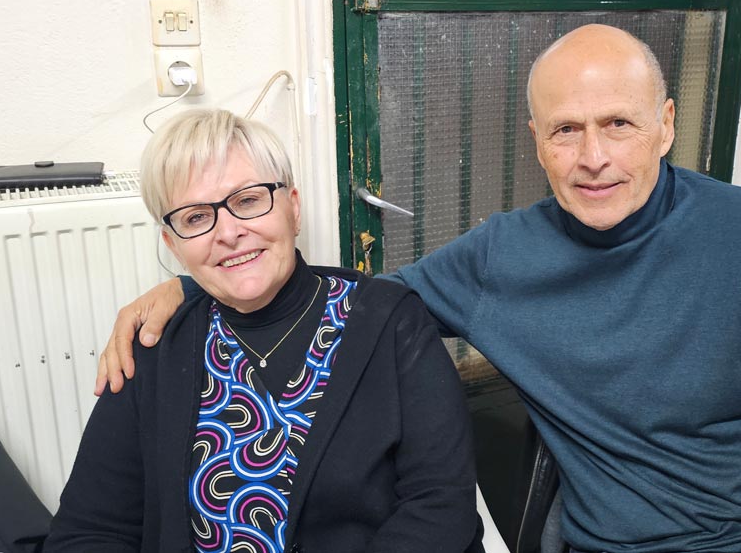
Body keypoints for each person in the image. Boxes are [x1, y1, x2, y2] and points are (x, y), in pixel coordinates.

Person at [96, 25, 741, 553]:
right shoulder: (500, 257)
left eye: (618, 124)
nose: (593, 157)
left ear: (665, 124)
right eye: (566, 130)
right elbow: (353, 304)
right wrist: (201, 287)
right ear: (537, 143)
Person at [47, 109, 482, 552]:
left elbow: (442, 504)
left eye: (248, 200)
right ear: (173, 246)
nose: (228, 232)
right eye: (195, 218)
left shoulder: (391, 323)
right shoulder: (154, 347)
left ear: (293, 208)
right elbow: (88, 531)